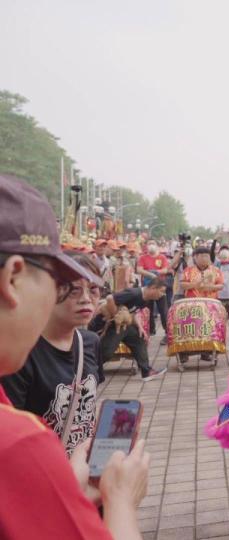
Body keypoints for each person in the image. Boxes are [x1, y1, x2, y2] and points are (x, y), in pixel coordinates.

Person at [0, 173, 150, 539]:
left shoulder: (87, 344)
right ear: (14, 278)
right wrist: (119, 501)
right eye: (56, 282)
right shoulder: (17, 440)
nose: (84, 299)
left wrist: (66, 490)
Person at [2, 252, 103, 455]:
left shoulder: (90, 342)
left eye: (93, 290)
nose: (86, 299)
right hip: (43, 471)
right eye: (73, 290)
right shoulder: (22, 354)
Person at [92, 281, 169, 382]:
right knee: (106, 352)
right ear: (153, 288)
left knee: (139, 338)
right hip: (104, 324)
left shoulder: (145, 300)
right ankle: (88, 371)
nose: (162, 294)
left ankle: (146, 371)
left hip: (122, 326)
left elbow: (133, 313)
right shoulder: (134, 293)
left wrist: (140, 328)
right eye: (161, 291)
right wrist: (116, 315)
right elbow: (110, 298)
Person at [136, 239, 171, 336]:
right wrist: (151, 274)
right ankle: (151, 330)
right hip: (147, 288)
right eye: (149, 243)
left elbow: (165, 270)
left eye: (153, 243)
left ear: (157, 245)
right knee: (148, 309)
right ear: (146, 246)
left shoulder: (162, 257)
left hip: (160, 288)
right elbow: (139, 270)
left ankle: (167, 331)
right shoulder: (142, 258)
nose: (151, 245)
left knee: (163, 310)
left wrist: (156, 272)